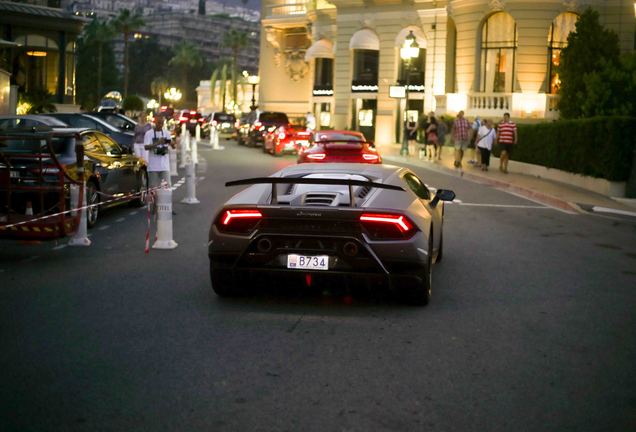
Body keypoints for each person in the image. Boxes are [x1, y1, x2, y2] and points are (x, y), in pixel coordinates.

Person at [144, 115, 175, 189]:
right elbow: (146, 147)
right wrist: (157, 143)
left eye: (162, 123)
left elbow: (173, 147)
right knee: (153, 190)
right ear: (155, 122)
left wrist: (171, 143)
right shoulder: (149, 133)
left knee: (167, 188)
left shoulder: (166, 133)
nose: (160, 125)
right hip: (153, 167)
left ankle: (166, 200)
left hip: (165, 166)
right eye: (158, 123)